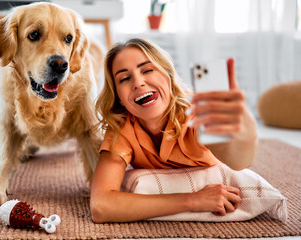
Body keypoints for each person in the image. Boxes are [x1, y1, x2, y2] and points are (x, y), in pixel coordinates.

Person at [90, 38, 258, 223]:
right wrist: (193, 200)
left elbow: (239, 161)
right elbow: (101, 206)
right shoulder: (121, 128)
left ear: (168, 77)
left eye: (147, 70)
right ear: (119, 98)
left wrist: (246, 125)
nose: (138, 83)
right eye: (125, 78)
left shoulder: (195, 115)